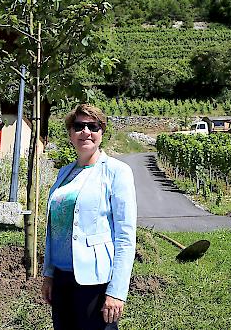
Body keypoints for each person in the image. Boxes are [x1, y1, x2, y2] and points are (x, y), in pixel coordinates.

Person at [41, 104, 137, 330]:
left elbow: (125, 235)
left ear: (101, 132)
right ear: (70, 134)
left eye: (92, 126)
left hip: (95, 281)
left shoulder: (117, 171)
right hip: (63, 279)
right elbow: (54, 228)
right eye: (78, 126)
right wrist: (49, 274)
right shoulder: (64, 172)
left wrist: (116, 291)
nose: (85, 132)